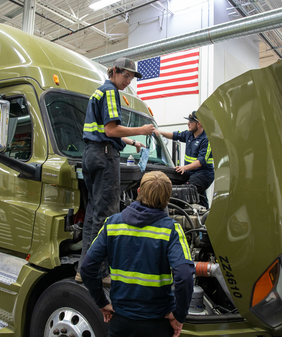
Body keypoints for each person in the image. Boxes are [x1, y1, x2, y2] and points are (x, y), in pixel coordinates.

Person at [81, 171, 195, 337]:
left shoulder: (112, 224)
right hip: (158, 323)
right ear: (167, 199)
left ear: (139, 191)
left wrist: (102, 302)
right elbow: (185, 276)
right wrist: (179, 315)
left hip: (120, 322)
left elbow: (86, 267)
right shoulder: (171, 230)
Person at [76, 58, 155, 283]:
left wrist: (132, 143)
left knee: (92, 213)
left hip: (91, 155)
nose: (128, 81)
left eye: (131, 77)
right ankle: (99, 272)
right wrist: (142, 130)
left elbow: (103, 128)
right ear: (115, 72)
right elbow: (111, 130)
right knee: (106, 215)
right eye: (126, 76)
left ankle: (84, 269)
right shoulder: (111, 92)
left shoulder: (98, 92)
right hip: (104, 156)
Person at [158, 111, 214, 209]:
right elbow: (174, 135)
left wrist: (184, 167)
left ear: (199, 123)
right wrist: (158, 132)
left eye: (190, 121)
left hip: (204, 174)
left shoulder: (206, 139)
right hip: (191, 173)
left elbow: (201, 161)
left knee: (188, 189)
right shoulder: (189, 134)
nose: (188, 123)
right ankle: (206, 216)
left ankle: (177, 210)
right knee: (199, 196)